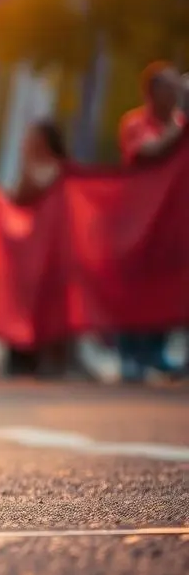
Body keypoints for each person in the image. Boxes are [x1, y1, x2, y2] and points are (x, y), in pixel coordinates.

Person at [114, 62, 189, 382]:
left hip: (173, 223)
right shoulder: (135, 122)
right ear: (152, 92)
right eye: (170, 87)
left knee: (169, 284)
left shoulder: (181, 122)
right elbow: (150, 152)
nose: (175, 94)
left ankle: (157, 352)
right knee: (137, 286)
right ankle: (131, 355)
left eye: (178, 87)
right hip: (140, 222)